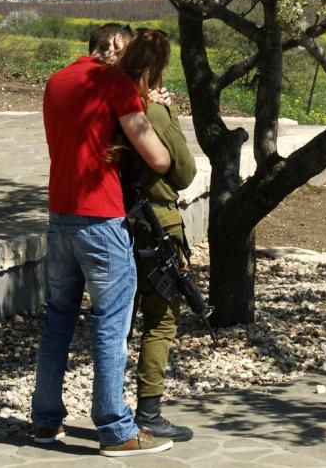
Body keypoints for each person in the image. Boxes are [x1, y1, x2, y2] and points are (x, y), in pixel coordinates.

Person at [32, 23, 174, 458]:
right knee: (112, 325)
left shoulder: (56, 81)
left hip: (60, 215)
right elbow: (159, 159)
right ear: (115, 43)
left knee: (58, 320)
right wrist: (149, 110)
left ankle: (45, 421)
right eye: (128, 48)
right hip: (102, 219)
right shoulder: (113, 83)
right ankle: (115, 428)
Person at [113, 28, 198, 442]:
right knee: (161, 320)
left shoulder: (107, 103)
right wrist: (172, 115)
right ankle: (149, 411)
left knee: (117, 321)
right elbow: (183, 172)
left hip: (114, 221)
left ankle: (110, 406)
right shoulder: (154, 111)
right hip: (159, 222)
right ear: (157, 68)